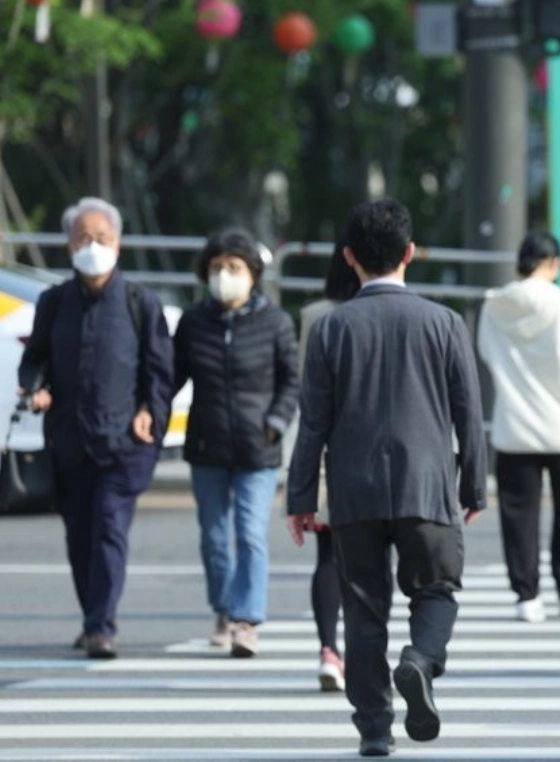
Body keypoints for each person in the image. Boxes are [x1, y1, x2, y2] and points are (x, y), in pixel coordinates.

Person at [286, 199, 487, 757]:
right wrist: (474, 484)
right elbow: (468, 412)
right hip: (427, 486)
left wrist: (301, 497)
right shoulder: (444, 323)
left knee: (363, 610)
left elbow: (313, 421)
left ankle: (374, 729)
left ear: (349, 257)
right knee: (437, 589)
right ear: (410, 253)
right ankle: (421, 659)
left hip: (354, 492)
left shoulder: (330, 328)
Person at [17, 197, 175, 660]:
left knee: (109, 525)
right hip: (69, 440)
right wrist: (35, 388)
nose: (93, 246)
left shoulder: (140, 302)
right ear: (69, 244)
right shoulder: (53, 302)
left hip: (125, 442)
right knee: (79, 536)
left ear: (118, 244)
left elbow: (161, 372)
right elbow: (35, 359)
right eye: (83, 237)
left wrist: (150, 411)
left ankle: (101, 627)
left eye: (102, 237)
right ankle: (93, 617)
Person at [174, 229, 299, 658]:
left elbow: (291, 380)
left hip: (257, 446)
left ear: (253, 274)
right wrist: (147, 409)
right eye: (216, 267)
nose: (224, 275)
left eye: (233, 267)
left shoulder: (276, 322)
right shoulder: (193, 323)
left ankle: (246, 621)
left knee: (250, 535)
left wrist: (276, 422)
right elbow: (171, 376)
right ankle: (225, 610)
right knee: (213, 539)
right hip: (207, 444)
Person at [477, 231, 560, 624]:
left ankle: (526, 595)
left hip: (514, 425)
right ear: (555, 263)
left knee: (518, 516)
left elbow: (486, 352)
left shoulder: (494, 306)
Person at [296, 242, 361, 692]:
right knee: (370, 561)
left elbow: (310, 396)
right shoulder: (393, 311)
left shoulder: (315, 316)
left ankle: (328, 650)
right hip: (377, 457)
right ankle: (358, 649)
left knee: (327, 556)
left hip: (328, 450)